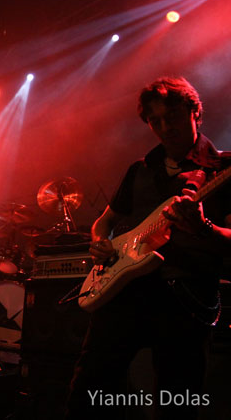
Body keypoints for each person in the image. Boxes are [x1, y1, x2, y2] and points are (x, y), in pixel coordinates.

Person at [65, 77, 231, 419]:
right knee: (88, 392)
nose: (165, 127)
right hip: (124, 290)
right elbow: (104, 222)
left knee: (178, 401)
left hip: (186, 299)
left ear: (196, 113)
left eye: (173, 116)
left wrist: (204, 228)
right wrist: (100, 243)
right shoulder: (139, 169)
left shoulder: (223, 170)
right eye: (155, 121)